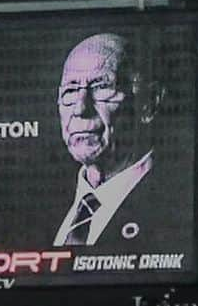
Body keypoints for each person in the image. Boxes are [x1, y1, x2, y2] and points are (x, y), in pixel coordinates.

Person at [54, 32, 165, 247]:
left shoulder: (177, 205)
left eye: (101, 87)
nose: (80, 108)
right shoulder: (36, 205)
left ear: (148, 103)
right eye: (70, 90)